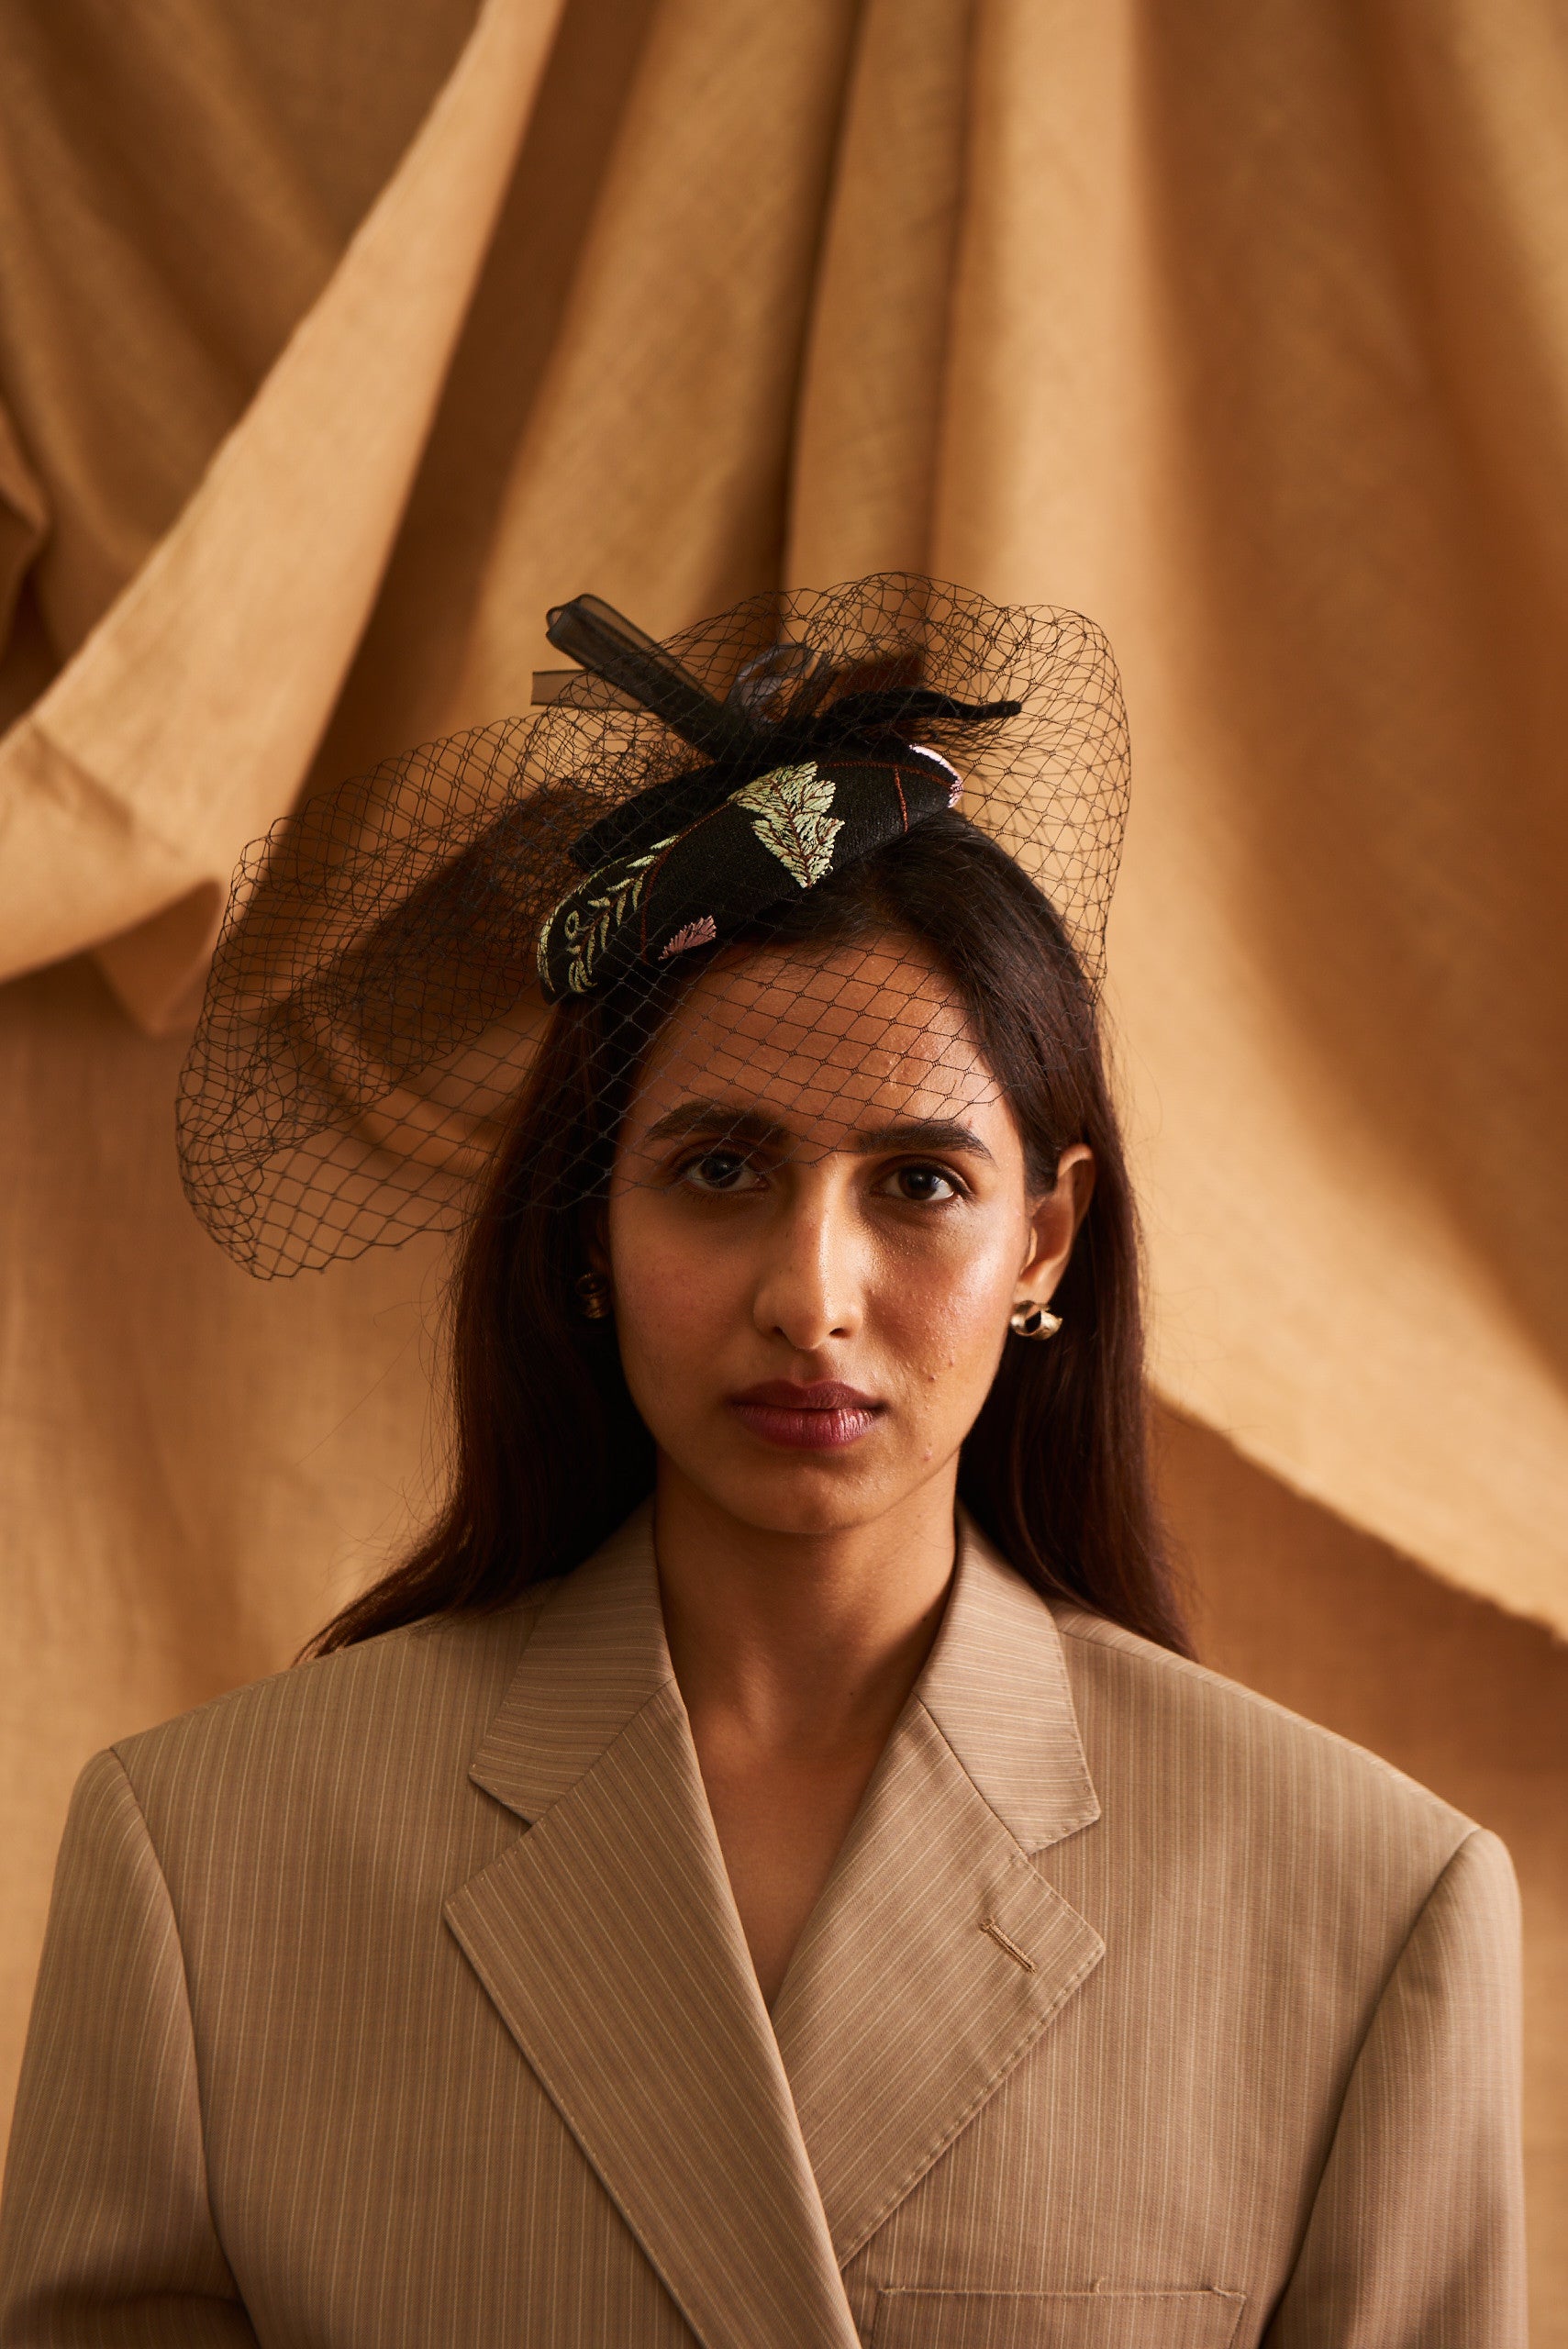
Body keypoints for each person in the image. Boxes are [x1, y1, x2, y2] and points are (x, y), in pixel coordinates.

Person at [0, 580, 1524, 2346]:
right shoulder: (208, 1866)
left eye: (918, 1183)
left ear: (1046, 1241)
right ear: (587, 1221)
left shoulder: (1360, 1906)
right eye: (719, 1169)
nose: (813, 1297)